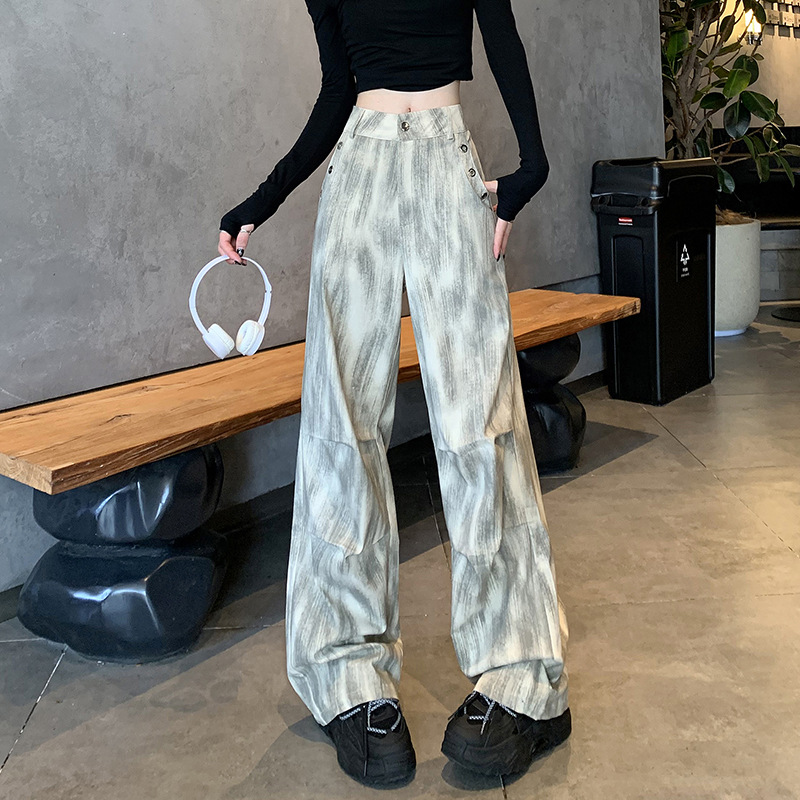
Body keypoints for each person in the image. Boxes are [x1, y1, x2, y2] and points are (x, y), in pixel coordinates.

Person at [218, 0, 569, 788]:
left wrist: (533, 162)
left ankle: (524, 677)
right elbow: (336, 89)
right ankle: (349, 677)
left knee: (482, 422)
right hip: (360, 172)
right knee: (341, 426)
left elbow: (501, 31)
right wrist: (262, 201)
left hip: (448, 162)